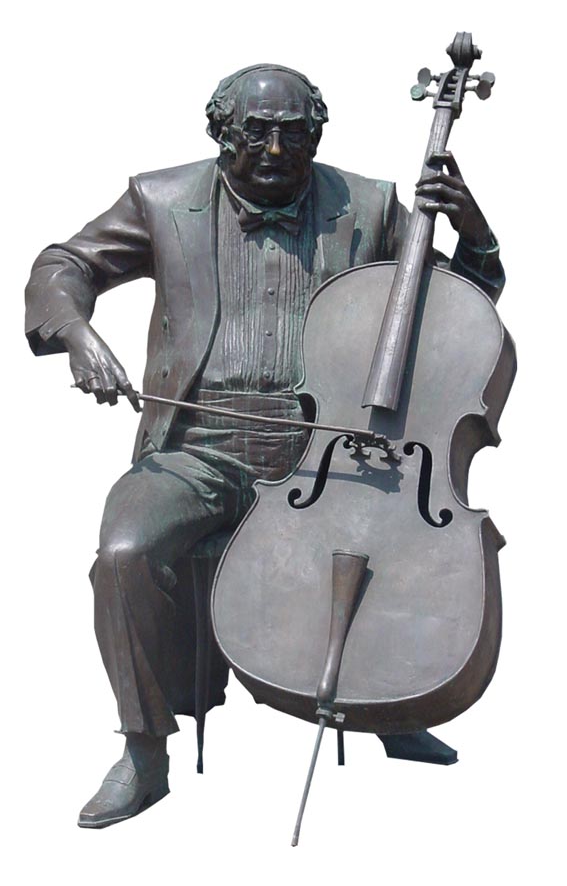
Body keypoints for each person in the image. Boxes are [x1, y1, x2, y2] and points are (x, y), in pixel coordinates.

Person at [25, 64, 505, 828]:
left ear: (317, 134)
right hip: (195, 445)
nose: (276, 150)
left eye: (294, 133)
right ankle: (144, 749)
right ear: (219, 133)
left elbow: (454, 307)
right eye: (256, 133)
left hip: (327, 449)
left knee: (393, 545)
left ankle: (392, 704)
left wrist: (475, 236)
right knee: (122, 553)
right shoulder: (159, 199)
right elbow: (65, 264)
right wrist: (79, 335)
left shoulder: (369, 204)